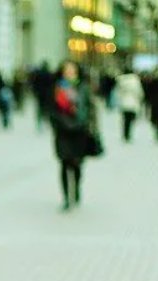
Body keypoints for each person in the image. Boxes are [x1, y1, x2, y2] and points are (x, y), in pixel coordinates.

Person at [50, 60, 97, 212]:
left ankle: (76, 188)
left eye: (72, 70)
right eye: (66, 70)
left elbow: (91, 108)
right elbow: (51, 109)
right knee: (64, 162)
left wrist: (92, 127)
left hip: (80, 130)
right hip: (63, 131)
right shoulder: (57, 88)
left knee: (76, 163)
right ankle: (65, 198)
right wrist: (57, 123)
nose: (69, 72)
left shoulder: (83, 87)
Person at [115, 65, 144, 143]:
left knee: (125, 120)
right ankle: (129, 134)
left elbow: (118, 92)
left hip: (124, 103)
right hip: (133, 103)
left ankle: (125, 134)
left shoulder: (121, 81)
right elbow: (139, 92)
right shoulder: (135, 81)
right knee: (131, 120)